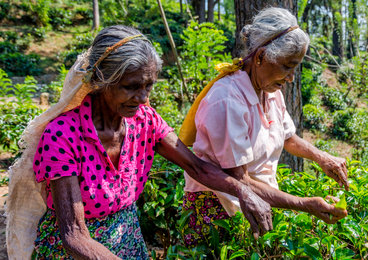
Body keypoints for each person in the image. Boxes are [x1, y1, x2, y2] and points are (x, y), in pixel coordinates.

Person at [6, 25, 273, 259]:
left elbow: (197, 167)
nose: (143, 98)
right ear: (101, 80)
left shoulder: (144, 120)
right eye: (131, 87)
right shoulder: (63, 134)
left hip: (128, 241)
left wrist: (242, 190)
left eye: (149, 86)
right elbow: (74, 234)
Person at [180, 7, 349, 247]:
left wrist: (322, 158)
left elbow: (288, 138)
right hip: (219, 210)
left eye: (295, 67)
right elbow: (240, 181)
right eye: (287, 66)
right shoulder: (227, 100)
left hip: (258, 201)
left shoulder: (270, 91)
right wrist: (305, 204)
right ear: (260, 57)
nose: (291, 77)